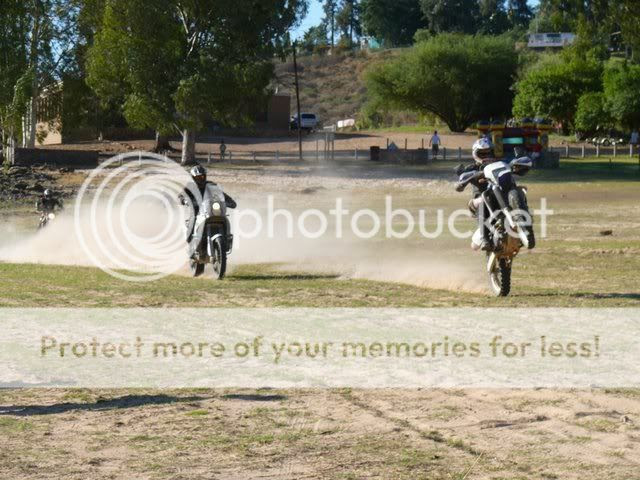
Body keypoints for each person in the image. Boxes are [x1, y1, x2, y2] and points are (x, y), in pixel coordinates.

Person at [455, 138, 497, 251]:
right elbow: (461, 181)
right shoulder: (472, 168)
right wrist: (461, 182)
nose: (486, 156)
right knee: (482, 201)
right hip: (478, 200)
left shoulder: (498, 164)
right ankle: (485, 239)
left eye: (488, 153)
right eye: (482, 153)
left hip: (498, 197)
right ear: (475, 154)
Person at [179, 165, 236, 242]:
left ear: (205, 176)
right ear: (193, 178)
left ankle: (226, 237)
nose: (200, 179)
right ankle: (191, 240)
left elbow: (221, 194)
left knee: (224, 218)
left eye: (202, 176)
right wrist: (184, 200)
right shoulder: (190, 187)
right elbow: (182, 196)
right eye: (198, 177)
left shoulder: (211, 185)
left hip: (211, 210)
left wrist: (229, 201)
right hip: (198, 211)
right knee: (193, 219)